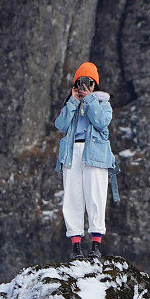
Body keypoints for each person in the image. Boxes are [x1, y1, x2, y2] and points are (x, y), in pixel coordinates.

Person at [54, 62, 119, 260]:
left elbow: (100, 122)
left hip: (95, 154)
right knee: (72, 199)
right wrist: (73, 101)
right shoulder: (71, 103)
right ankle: (75, 246)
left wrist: (89, 99)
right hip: (72, 153)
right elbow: (60, 125)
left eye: (88, 82)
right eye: (80, 82)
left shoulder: (102, 103)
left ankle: (96, 245)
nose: (84, 86)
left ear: (95, 84)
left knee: (95, 198)